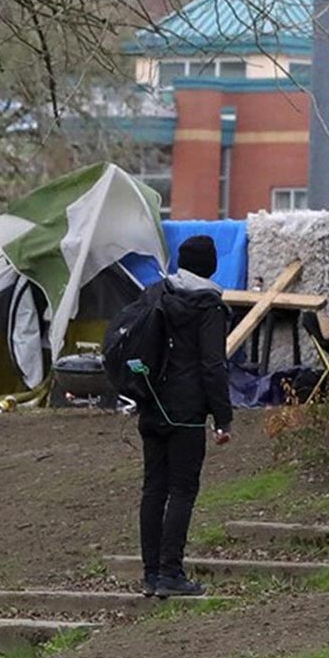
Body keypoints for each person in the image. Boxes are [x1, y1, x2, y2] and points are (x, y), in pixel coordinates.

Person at [139, 235, 232, 598]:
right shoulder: (207, 306)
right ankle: (171, 572)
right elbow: (213, 366)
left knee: (153, 489)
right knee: (182, 490)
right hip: (187, 412)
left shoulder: (157, 294)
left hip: (151, 405)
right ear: (210, 266)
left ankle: (151, 574)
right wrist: (223, 417)